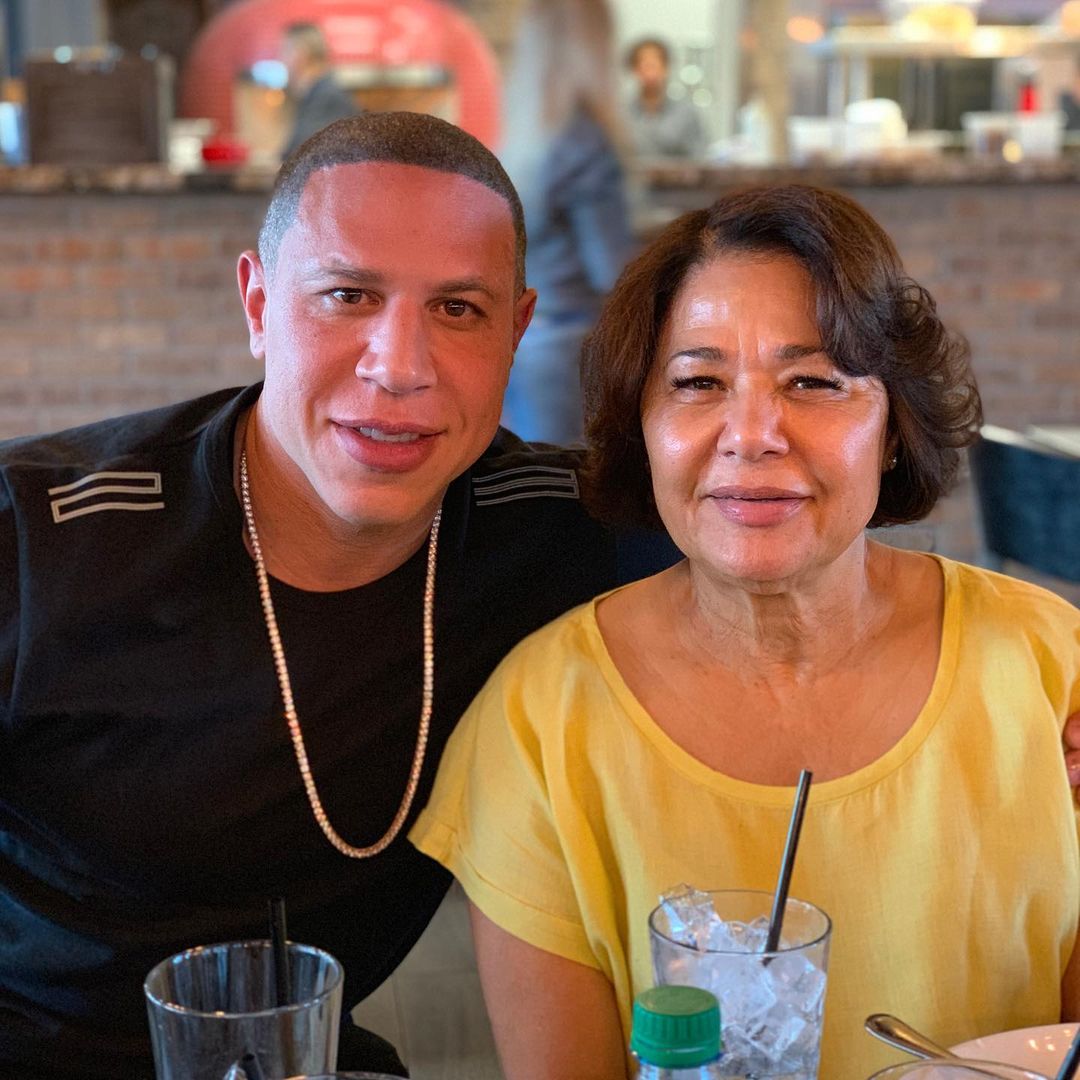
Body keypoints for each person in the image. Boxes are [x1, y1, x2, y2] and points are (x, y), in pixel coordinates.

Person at [0, 112, 677, 1080]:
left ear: (517, 331)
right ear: (258, 303)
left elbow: (778, 537)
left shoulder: (557, 530)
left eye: (458, 310)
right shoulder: (41, 535)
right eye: (348, 295)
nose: (398, 367)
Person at [411, 184, 1080, 1079]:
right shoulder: (540, 725)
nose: (753, 433)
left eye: (813, 381)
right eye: (698, 383)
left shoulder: (1046, 668)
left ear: (891, 425)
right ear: (641, 426)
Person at [499, 0, 634, 445]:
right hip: (569, 344)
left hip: (522, 338)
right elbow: (610, 268)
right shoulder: (586, 139)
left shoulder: (526, 139)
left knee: (526, 483)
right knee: (569, 491)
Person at [279, 21, 358, 159]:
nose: (281, 60)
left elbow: (304, 155)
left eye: (285, 51)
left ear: (301, 53)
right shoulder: (314, 95)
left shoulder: (327, 97)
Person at [624, 37, 706, 159]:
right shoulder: (619, 113)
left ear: (666, 68)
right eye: (645, 65)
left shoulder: (686, 113)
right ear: (634, 69)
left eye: (655, 65)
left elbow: (700, 155)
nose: (650, 73)